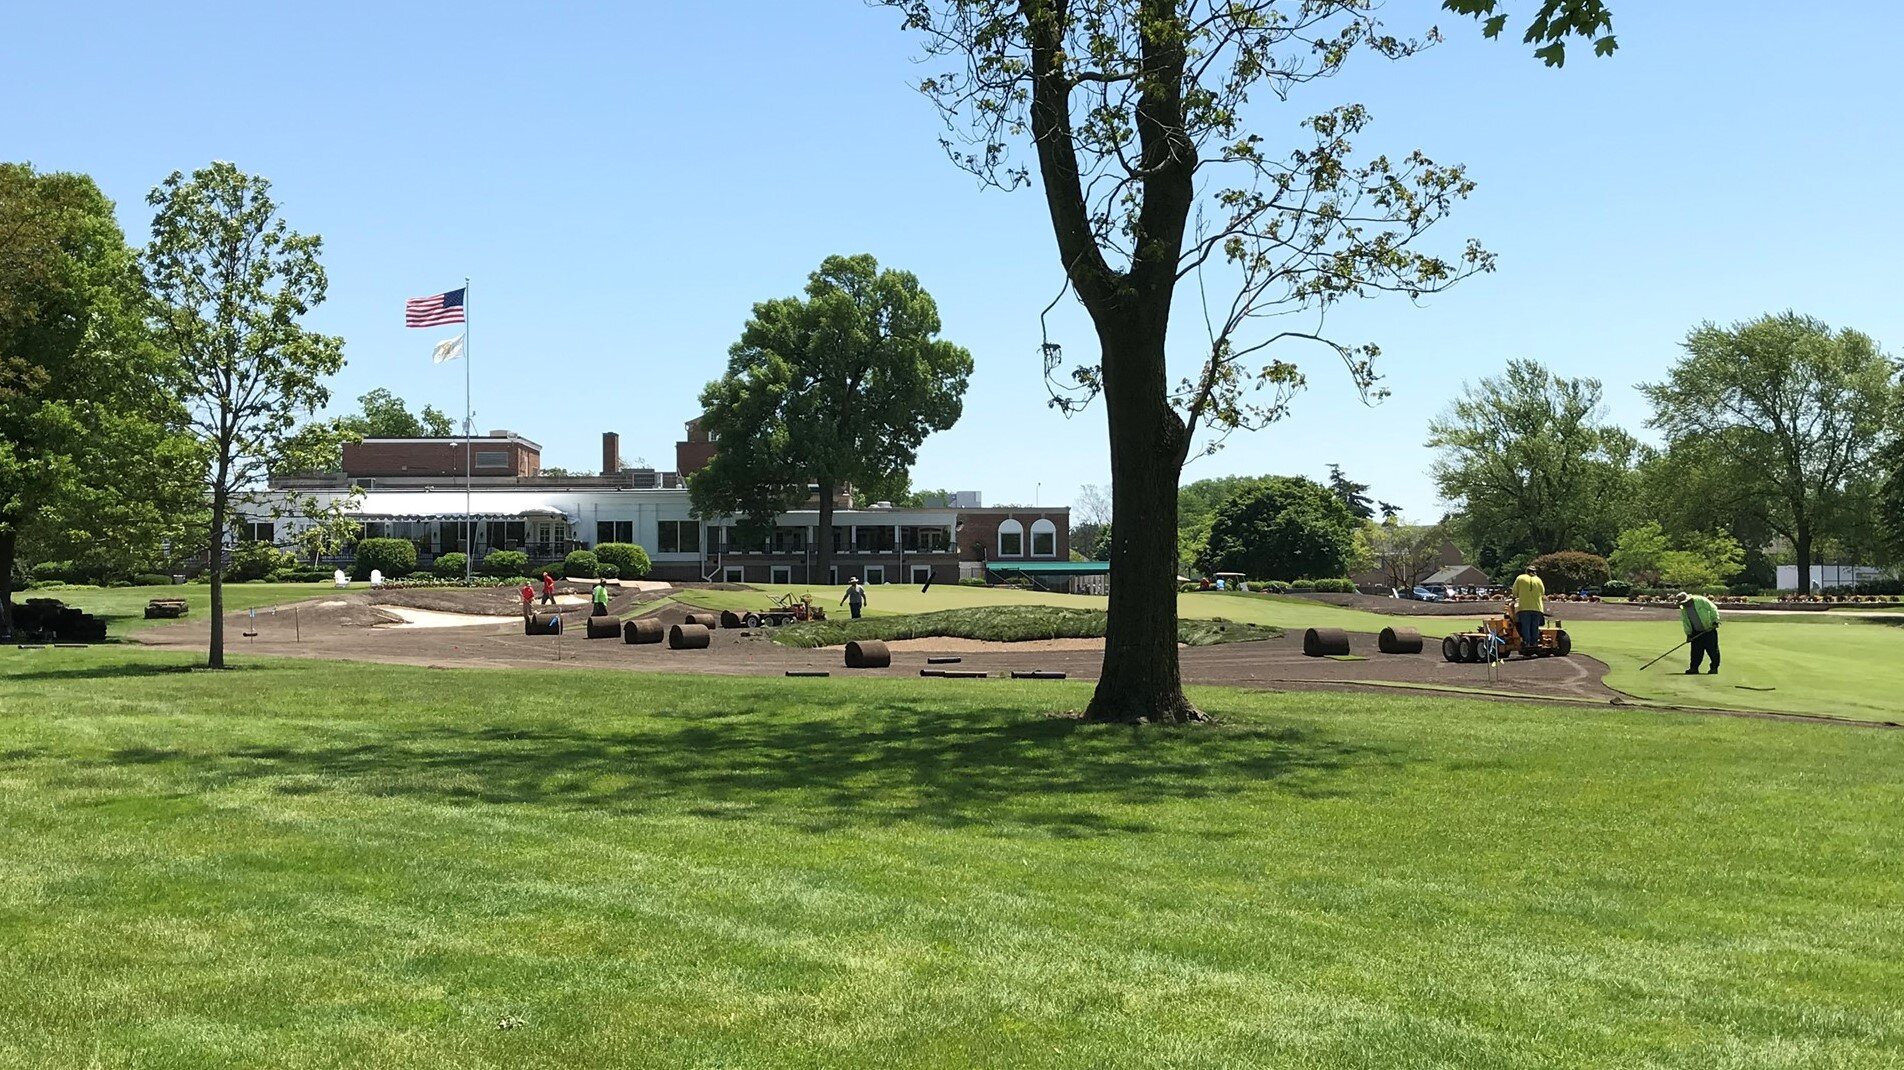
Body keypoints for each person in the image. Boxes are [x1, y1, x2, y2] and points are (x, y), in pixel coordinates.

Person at [1677, 591, 1721, 675]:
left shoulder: (1700, 600)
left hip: (1708, 629)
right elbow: (1686, 622)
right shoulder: (1683, 609)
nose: (1685, 604)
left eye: (1685, 602)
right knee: (1696, 652)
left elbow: (1713, 608)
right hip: (1696, 632)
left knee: (1712, 650)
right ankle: (1694, 668)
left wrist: (1715, 621)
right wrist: (1689, 634)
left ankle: (1714, 668)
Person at [1511, 568, 1546, 654]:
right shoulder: (1538, 580)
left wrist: (1514, 597)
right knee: (1535, 626)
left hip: (1524, 607)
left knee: (1525, 625)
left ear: (1526, 571)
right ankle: (1534, 642)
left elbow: (1515, 592)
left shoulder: (1520, 578)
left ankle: (1527, 642)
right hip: (1537, 608)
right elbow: (1542, 592)